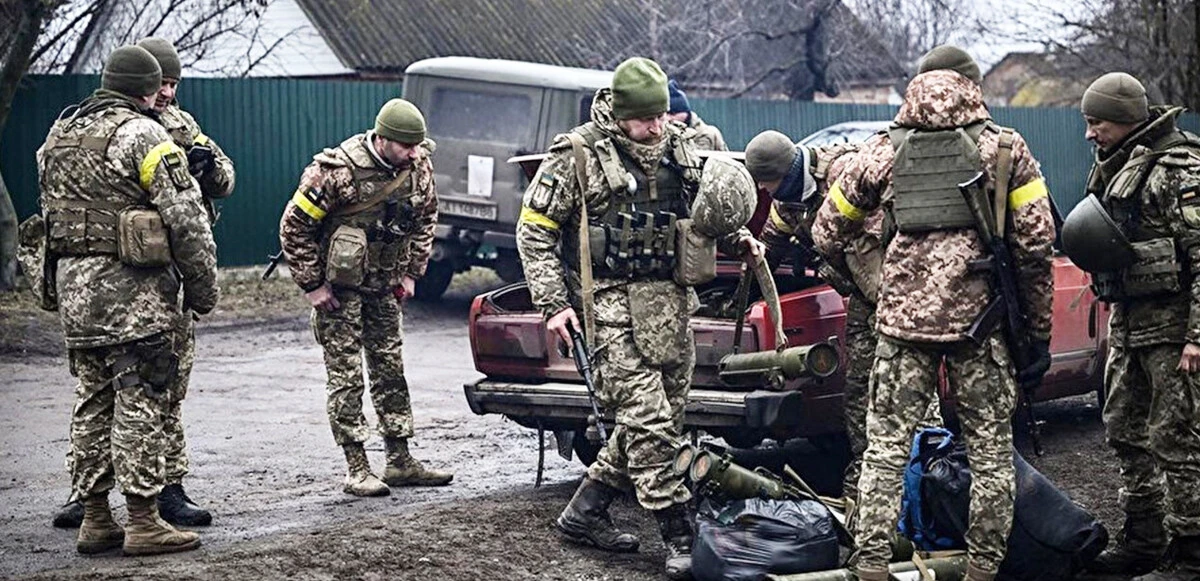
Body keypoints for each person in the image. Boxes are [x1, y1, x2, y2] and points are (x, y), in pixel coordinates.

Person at [811, 61, 1056, 581]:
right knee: (990, 453)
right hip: (980, 327)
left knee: (884, 452)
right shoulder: (1005, 150)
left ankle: (871, 566)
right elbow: (1036, 246)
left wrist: (868, 274)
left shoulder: (881, 150)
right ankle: (983, 568)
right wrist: (1037, 334)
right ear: (973, 88)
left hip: (900, 328)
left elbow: (827, 230)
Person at [517, 57, 761, 579]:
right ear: (621, 114)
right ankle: (679, 534)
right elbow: (534, 231)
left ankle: (583, 513)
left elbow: (702, 211)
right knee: (648, 422)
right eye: (646, 119)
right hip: (608, 308)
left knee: (660, 421)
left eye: (662, 116)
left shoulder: (679, 148)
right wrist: (554, 305)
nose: (657, 127)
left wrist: (738, 237)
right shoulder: (576, 155)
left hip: (670, 306)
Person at [36, 44, 219, 555]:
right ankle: (143, 521)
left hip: (76, 295)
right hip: (134, 296)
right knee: (141, 396)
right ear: (146, 88)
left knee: (93, 400)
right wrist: (203, 289)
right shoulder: (144, 134)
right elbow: (186, 219)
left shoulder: (60, 133)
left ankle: (95, 519)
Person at [278, 98, 452, 497]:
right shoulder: (335, 172)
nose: (414, 154)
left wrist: (412, 273)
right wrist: (312, 285)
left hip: (386, 286)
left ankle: (400, 459)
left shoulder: (418, 166)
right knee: (347, 376)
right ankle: (356, 467)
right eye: (406, 146)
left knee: (390, 369)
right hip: (340, 293)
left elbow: (426, 217)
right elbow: (294, 227)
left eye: (418, 146)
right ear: (383, 139)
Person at [1064, 72, 1200, 581]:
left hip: (1174, 332)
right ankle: (1144, 540)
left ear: (1124, 119)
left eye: (1096, 122)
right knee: (1123, 429)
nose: (1089, 134)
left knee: (1178, 439)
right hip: (1128, 325)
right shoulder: (1116, 165)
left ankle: (1191, 552)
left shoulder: (1179, 169)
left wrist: (1196, 338)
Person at [744, 130, 885, 504]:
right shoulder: (787, 201)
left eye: (765, 182)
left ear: (784, 172)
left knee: (901, 391)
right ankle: (864, 484)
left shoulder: (844, 174)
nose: (762, 190)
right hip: (862, 298)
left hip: (897, 297)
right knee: (859, 392)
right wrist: (751, 277)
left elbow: (883, 237)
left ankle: (923, 478)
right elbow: (770, 244)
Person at [666, 79, 727, 151]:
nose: (668, 118)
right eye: (665, 114)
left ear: (685, 113)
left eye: (673, 113)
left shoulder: (707, 133)